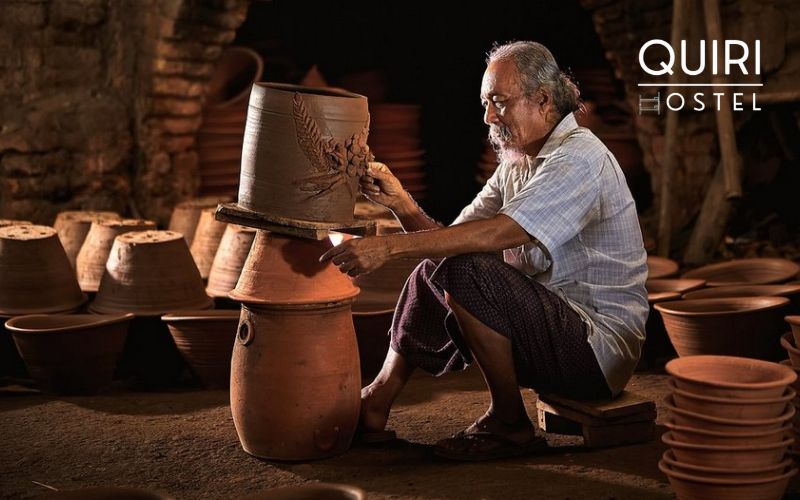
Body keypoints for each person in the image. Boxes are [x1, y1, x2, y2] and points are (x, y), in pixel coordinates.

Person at [320, 41, 649, 461]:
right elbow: (452, 239)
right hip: (551, 334)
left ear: (543, 100)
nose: (488, 117)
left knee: (466, 269)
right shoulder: (517, 163)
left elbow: (497, 235)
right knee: (435, 268)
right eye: (485, 104)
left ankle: (509, 423)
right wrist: (400, 203)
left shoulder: (580, 157)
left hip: (596, 352)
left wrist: (387, 248)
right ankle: (378, 400)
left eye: (498, 102)